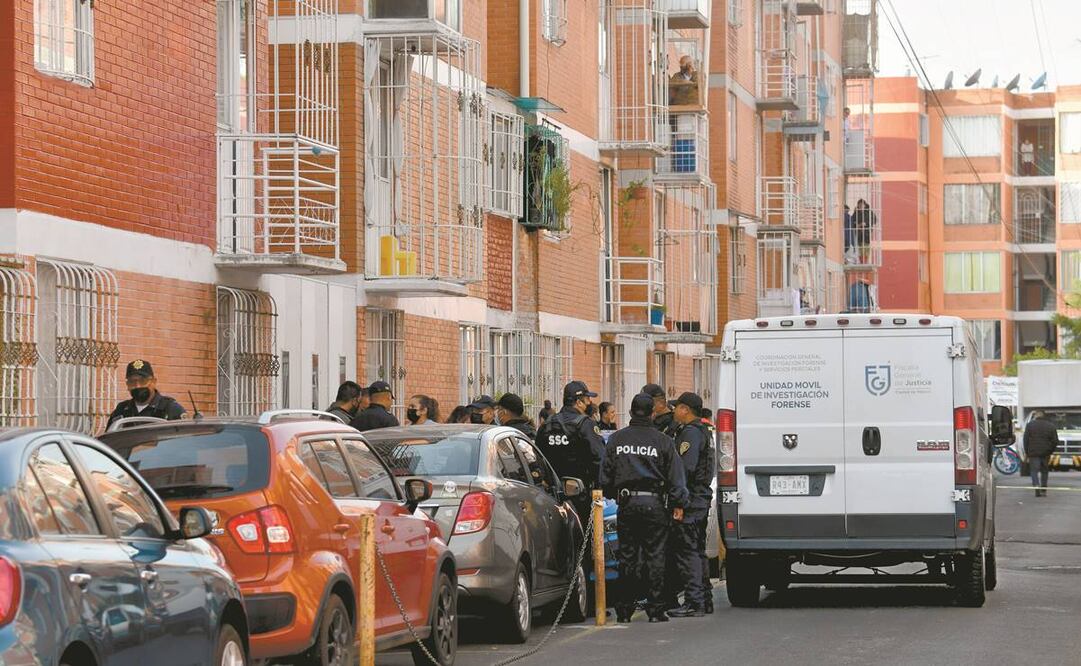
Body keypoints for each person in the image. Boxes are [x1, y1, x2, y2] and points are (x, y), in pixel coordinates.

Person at [600, 393, 688, 623]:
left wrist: (614, 494)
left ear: (630, 413)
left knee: (627, 556)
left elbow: (605, 476)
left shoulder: (617, 440)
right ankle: (656, 610)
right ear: (651, 413)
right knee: (655, 556)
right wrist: (679, 503)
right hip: (655, 504)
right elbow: (676, 477)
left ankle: (624, 610)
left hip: (626, 503)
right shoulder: (663, 441)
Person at [665, 392, 715, 618]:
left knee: (688, 551)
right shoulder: (702, 430)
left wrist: (679, 501)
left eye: (677, 407)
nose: (674, 411)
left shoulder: (691, 433)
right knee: (697, 550)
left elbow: (685, 469)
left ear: (685, 409)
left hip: (691, 499)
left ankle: (695, 602)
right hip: (699, 498)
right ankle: (704, 598)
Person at [536, 381, 607, 522]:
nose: (589, 403)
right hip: (581, 496)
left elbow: (538, 457)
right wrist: (600, 489)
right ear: (579, 402)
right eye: (587, 399)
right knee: (584, 539)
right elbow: (599, 459)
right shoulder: (585, 424)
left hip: (552, 496)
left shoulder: (547, 425)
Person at [106, 359, 186, 430]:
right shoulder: (121, 410)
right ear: (127, 385)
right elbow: (109, 440)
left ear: (153, 382)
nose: (137, 386)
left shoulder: (170, 409)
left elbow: (184, 440)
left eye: (143, 381)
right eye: (132, 382)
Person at [1023, 410, 1060, 497]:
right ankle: (1044, 489)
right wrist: (1051, 450)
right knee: (1044, 471)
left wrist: (1027, 452)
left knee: (1034, 471)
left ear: (1036, 416)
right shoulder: (1050, 426)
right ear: (1044, 416)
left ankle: (1036, 486)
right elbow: (1055, 441)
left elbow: (1025, 440)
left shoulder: (1030, 425)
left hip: (1033, 452)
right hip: (1045, 452)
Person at [852, 199, 876, 265]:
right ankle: (861, 261)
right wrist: (858, 225)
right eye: (859, 204)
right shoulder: (856, 213)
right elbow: (852, 222)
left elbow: (874, 220)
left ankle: (865, 261)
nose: (860, 206)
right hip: (859, 233)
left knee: (866, 248)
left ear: (865, 205)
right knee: (860, 248)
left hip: (867, 233)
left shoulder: (869, 212)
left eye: (862, 204)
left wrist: (866, 223)